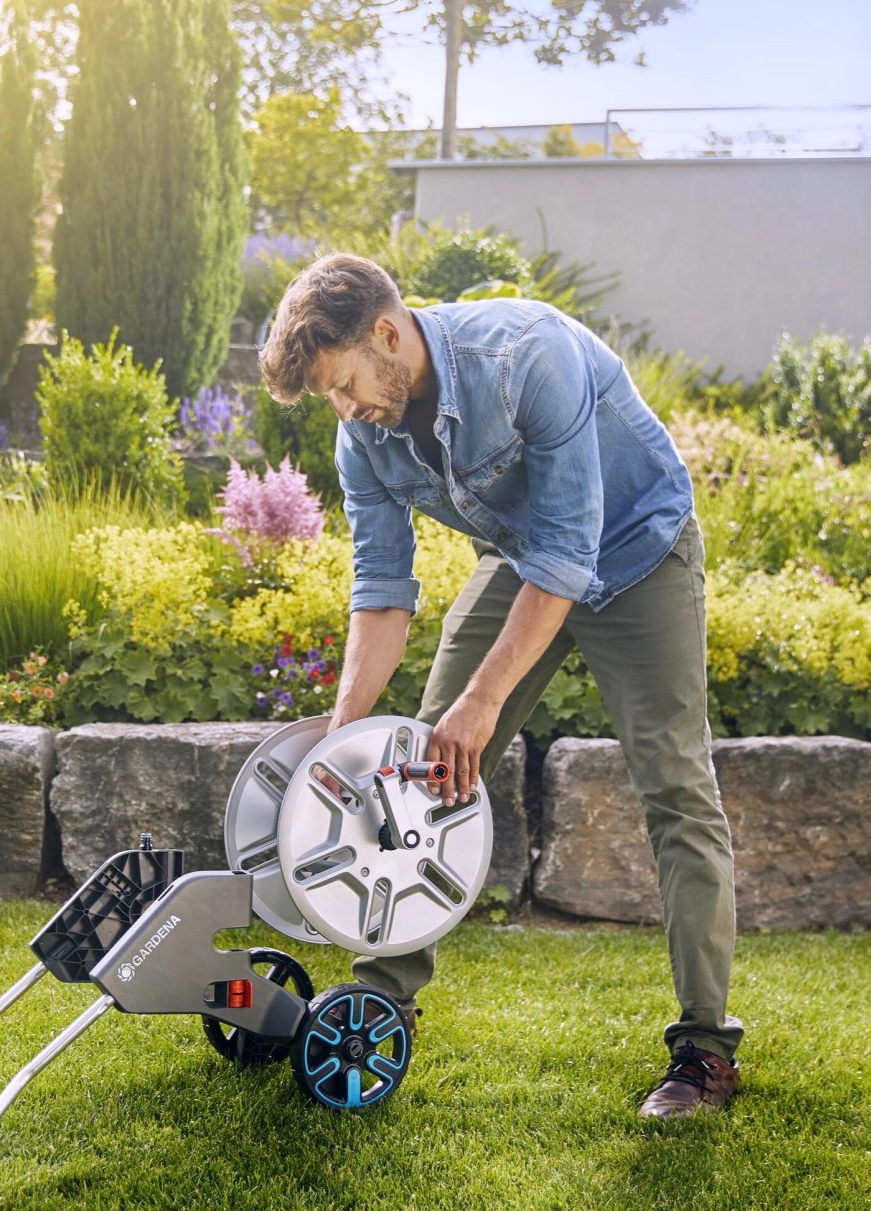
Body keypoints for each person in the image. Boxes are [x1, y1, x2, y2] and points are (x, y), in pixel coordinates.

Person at [259, 253, 743, 1119]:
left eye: (344, 385)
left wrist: (480, 705)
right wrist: (343, 729)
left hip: (638, 554)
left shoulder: (527, 356)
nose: (346, 410)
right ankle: (379, 1005)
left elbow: (570, 552)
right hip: (528, 561)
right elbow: (381, 584)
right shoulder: (363, 431)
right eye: (329, 398)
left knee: (676, 787)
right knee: (420, 765)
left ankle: (705, 1049)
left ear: (387, 332)